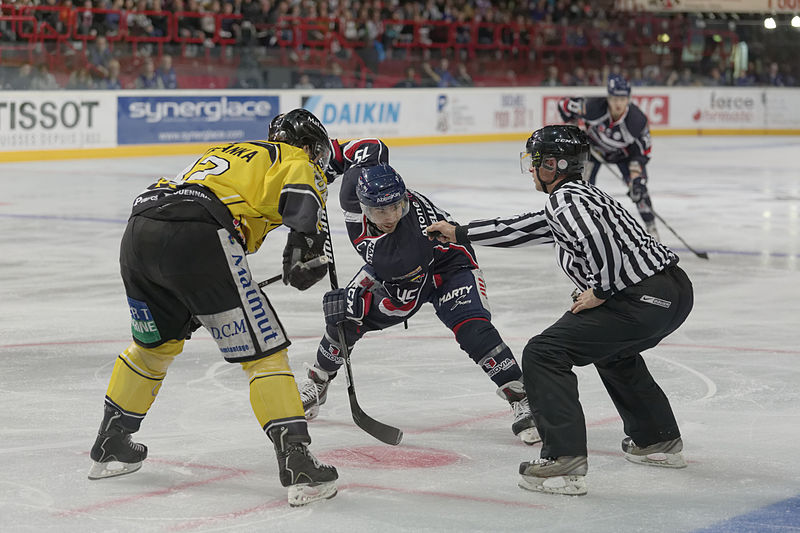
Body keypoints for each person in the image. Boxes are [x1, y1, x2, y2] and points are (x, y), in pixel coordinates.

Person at [87, 109, 339, 507]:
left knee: (154, 347)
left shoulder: (228, 150)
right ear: (307, 145)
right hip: (198, 234)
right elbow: (303, 200)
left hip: (139, 232)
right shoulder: (293, 157)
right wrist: (307, 242)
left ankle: (111, 442)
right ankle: (298, 464)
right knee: (266, 354)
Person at [426, 125, 694, 496]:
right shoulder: (580, 196)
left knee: (543, 352)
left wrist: (601, 290)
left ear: (553, 164)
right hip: (671, 292)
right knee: (614, 353)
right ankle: (656, 440)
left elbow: (594, 240)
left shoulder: (565, 202)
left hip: (640, 298)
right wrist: (460, 233)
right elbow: (523, 228)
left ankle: (563, 458)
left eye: (535, 163)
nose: (532, 170)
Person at [284, 134, 539, 445]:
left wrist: (355, 298)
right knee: (343, 320)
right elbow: (370, 147)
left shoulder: (402, 249)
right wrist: (327, 167)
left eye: (396, 206)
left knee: (472, 328)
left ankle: (521, 396)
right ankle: (318, 382)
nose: (390, 216)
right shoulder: (357, 186)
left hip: (448, 267)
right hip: (401, 271)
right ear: (363, 204)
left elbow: (404, 300)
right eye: (380, 211)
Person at [557, 74, 660, 239]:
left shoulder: (637, 121)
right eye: (614, 98)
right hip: (593, 150)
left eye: (622, 99)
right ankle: (571, 229)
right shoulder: (591, 107)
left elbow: (642, 152)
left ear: (628, 99)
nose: (618, 103)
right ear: (608, 98)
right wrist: (573, 128)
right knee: (579, 188)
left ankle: (652, 229)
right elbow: (563, 105)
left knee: (639, 190)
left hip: (623, 155)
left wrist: (635, 178)